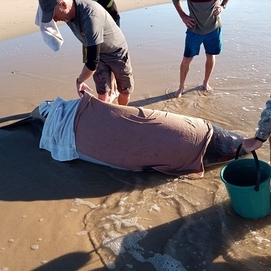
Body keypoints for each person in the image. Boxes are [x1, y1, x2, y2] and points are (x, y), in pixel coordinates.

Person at [39, 0, 134, 105]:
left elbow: (92, 63)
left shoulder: (90, 17)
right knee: (102, 92)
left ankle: (121, 117)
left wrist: (79, 81)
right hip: (97, 50)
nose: (54, 20)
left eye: (53, 15)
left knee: (124, 91)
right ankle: (104, 117)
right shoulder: (66, 12)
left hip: (116, 52)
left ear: (63, 5)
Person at [172, 0, 230, 97]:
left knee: (210, 55)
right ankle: (181, 87)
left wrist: (223, 6)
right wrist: (183, 16)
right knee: (187, 59)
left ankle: (205, 83)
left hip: (214, 27)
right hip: (194, 28)